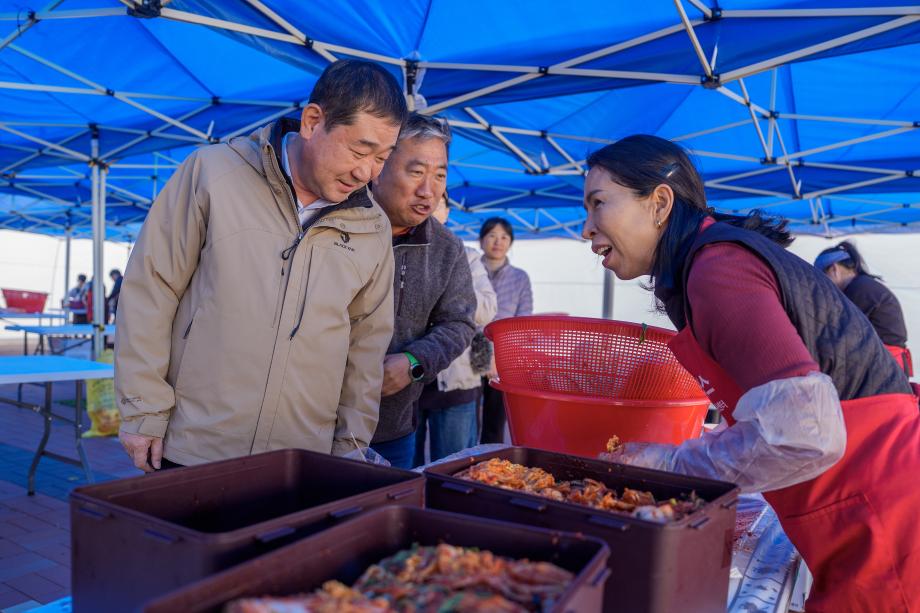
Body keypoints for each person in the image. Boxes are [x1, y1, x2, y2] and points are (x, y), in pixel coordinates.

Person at [587, 135, 919, 611]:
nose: (587, 228)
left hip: (884, 519)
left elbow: (804, 432)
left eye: (598, 204)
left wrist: (671, 465)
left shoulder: (718, 270)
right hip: (854, 516)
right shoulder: (707, 267)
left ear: (659, 203)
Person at [115, 59, 406, 471]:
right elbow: (151, 288)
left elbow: (366, 344)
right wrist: (143, 409)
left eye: (383, 157)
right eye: (360, 149)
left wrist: (350, 447)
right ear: (312, 121)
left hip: (300, 459)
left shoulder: (372, 225)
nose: (367, 171)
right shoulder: (213, 172)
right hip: (195, 445)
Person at [368, 114, 476, 469]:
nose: (428, 191)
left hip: (393, 429)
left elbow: (459, 323)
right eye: (416, 172)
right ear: (379, 166)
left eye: (440, 176)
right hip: (314, 422)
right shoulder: (336, 225)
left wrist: (414, 362)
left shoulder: (447, 248)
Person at [414, 195, 497, 466]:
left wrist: (450, 291)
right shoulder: (396, 251)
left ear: (448, 212)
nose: (428, 202)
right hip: (402, 383)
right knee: (402, 473)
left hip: (456, 380)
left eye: (439, 200)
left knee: (453, 471)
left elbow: (487, 308)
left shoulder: (468, 256)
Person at [815, 241, 912, 376]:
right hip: (887, 367)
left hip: (885, 369)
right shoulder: (863, 285)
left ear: (834, 269)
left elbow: (841, 334)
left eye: (822, 277)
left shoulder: (859, 289)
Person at [478, 217, 532, 444]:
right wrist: (483, 354)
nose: (497, 242)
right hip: (468, 351)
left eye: (504, 237)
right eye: (492, 236)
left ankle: (489, 471)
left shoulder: (520, 277)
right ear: (481, 241)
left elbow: (523, 322)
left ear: (510, 243)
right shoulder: (469, 270)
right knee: (464, 420)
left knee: (494, 420)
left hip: (503, 357)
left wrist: (499, 357)